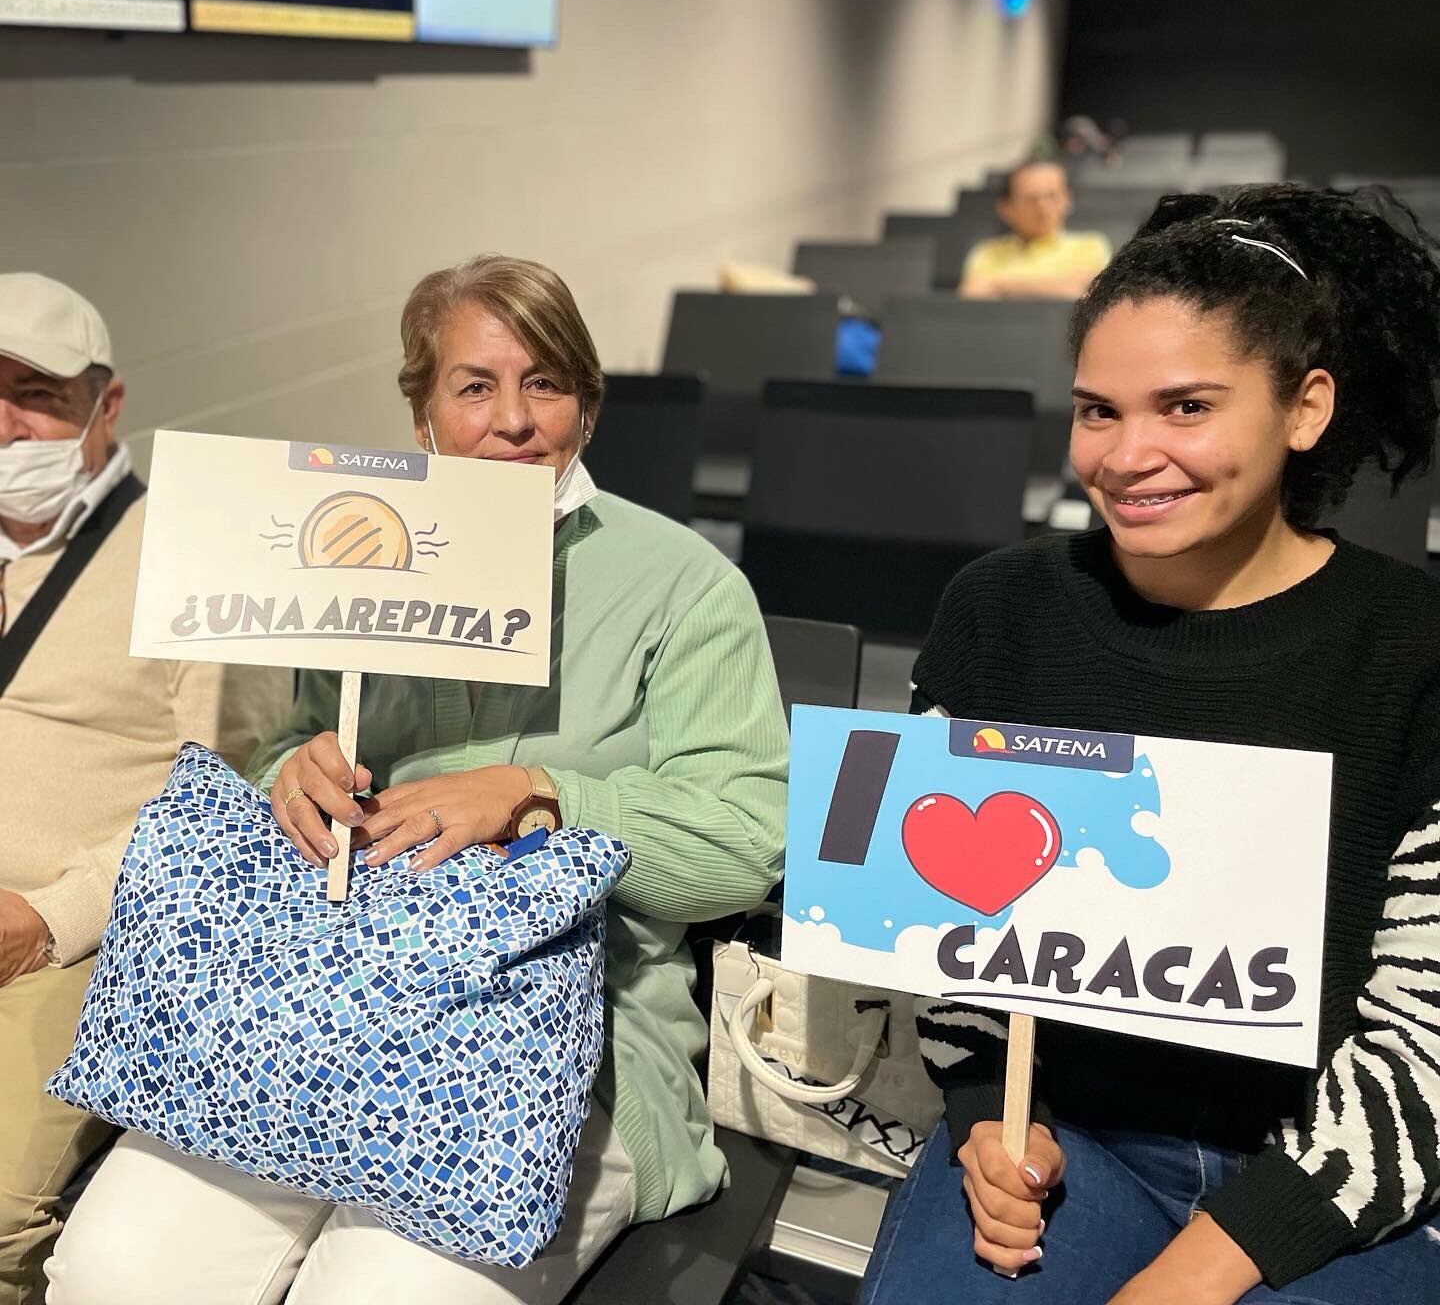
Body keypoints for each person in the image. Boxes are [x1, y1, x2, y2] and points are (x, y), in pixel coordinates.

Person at [48, 254, 789, 1305]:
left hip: (559, 1044)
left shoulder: (688, 587)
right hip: (322, 1006)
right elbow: (291, 746)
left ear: (588, 405)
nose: (515, 420)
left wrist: (544, 794)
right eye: (475, 386)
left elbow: (745, 850)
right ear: (423, 412)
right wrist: (288, 774)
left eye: (548, 383)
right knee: (109, 1271)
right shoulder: (357, 555)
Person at [861, 186, 1440, 1304]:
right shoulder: (1000, 609)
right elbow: (958, 940)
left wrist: (1198, 1270)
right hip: (1072, 1127)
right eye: (1097, 411)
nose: (1129, 456)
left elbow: (1427, 1040)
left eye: (1185, 407)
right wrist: (989, 1118)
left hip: (1332, 1174)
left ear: (1305, 407)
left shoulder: (1412, 648)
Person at [0, 273, 291, 1305]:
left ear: (106, 403)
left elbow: (231, 809)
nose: (6, 422)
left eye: (34, 393)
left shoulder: (197, 560)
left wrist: (50, 914)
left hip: (70, 934)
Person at [960, 160, 1112, 301]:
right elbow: (971, 297)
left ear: (1067, 199)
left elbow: (1085, 293)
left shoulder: (1090, 245)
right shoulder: (988, 251)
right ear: (1005, 209)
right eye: (1031, 198)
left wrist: (1002, 285)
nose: (1042, 206)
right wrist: (1059, 285)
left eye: (1051, 196)